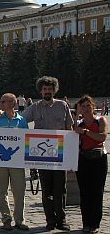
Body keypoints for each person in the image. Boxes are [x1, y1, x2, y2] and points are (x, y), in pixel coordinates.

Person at [21, 76, 73, 231]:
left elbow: (69, 129)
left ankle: (61, 220)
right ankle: (50, 220)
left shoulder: (62, 105)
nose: (47, 91)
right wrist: (1, 119)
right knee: (46, 189)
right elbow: (20, 120)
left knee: (60, 189)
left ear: (54, 90)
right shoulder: (35, 107)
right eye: (44, 89)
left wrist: (70, 155)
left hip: (59, 154)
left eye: (50, 89)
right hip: (41, 156)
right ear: (41, 91)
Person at [0, 93, 29, 230]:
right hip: (0, 162)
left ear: (13, 104)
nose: (1, 104)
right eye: (1, 101)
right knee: (1, 192)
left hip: (17, 162)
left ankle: (19, 220)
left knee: (19, 191)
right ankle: (6, 219)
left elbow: (27, 139)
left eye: (4, 101)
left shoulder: (21, 121)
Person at [74, 95, 107, 233]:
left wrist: (86, 132)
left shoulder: (100, 120)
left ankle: (95, 223)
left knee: (97, 192)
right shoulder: (78, 124)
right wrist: (76, 119)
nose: (86, 108)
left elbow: (102, 136)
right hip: (83, 159)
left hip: (98, 159)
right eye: (83, 106)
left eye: (88, 105)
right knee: (85, 193)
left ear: (93, 106)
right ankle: (86, 223)